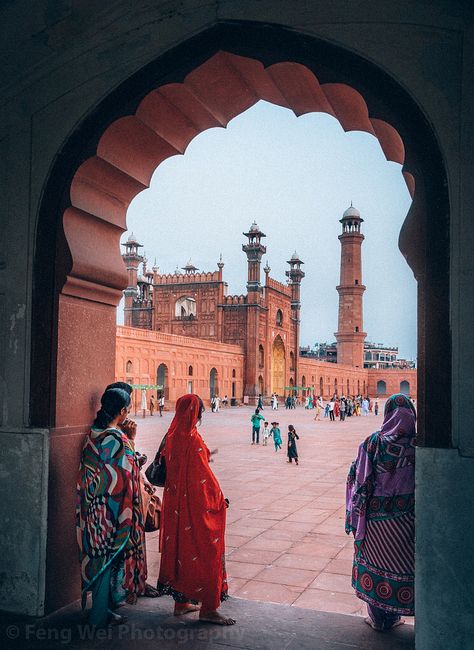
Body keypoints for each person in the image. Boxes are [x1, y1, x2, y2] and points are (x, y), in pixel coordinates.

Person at [157, 394, 235, 625]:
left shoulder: (171, 435)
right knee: (207, 552)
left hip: (175, 507)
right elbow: (204, 479)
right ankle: (209, 609)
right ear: (196, 412)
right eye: (200, 410)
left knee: (181, 550)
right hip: (195, 507)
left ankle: (181, 604)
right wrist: (219, 500)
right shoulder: (192, 439)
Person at [76, 387, 146, 627]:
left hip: (91, 505)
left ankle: (102, 609)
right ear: (123, 411)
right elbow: (128, 469)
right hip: (111, 509)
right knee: (106, 558)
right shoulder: (117, 437)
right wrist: (134, 444)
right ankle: (98, 616)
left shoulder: (93, 433)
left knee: (97, 557)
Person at [345, 394, 416, 631]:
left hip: (376, 523)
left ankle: (379, 619)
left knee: (375, 565)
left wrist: (353, 517)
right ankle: (399, 614)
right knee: (404, 567)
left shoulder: (373, 443)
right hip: (408, 522)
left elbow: (360, 482)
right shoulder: (419, 445)